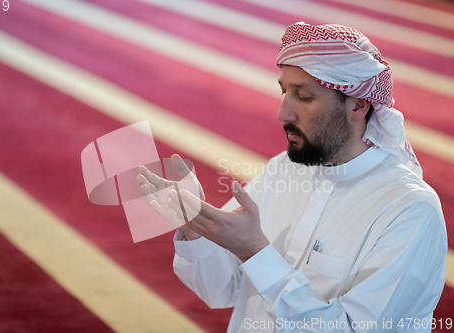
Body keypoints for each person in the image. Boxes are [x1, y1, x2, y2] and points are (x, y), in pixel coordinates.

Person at [137, 22, 447, 332]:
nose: (283, 114)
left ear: (357, 105)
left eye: (304, 96)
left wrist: (255, 253)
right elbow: (220, 290)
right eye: (284, 91)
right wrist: (196, 228)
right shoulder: (283, 169)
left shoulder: (409, 211)